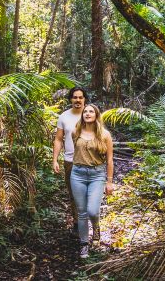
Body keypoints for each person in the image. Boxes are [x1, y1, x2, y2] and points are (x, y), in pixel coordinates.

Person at [70, 104, 113, 259]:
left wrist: (109, 182)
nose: (87, 113)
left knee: (93, 211)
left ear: (96, 115)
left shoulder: (105, 135)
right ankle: (84, 244)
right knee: (81, 212)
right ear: (82, 115)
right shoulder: (76, 132)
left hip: (97, 174)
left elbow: (109, 160)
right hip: (78, 174)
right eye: (85, 111)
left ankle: (96, 227)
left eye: (91, 111)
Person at [53, 87, 88, 231]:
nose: (78, 100)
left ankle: (90, 220)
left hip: (89, 161)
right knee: (73, 194)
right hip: (70, 161)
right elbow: (58, 140)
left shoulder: (91, 114)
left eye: (80, 97)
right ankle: (77, 222)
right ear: (70, 99)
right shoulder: (64, 117)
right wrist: (55, 159)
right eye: (75, 97)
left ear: (84, 99)